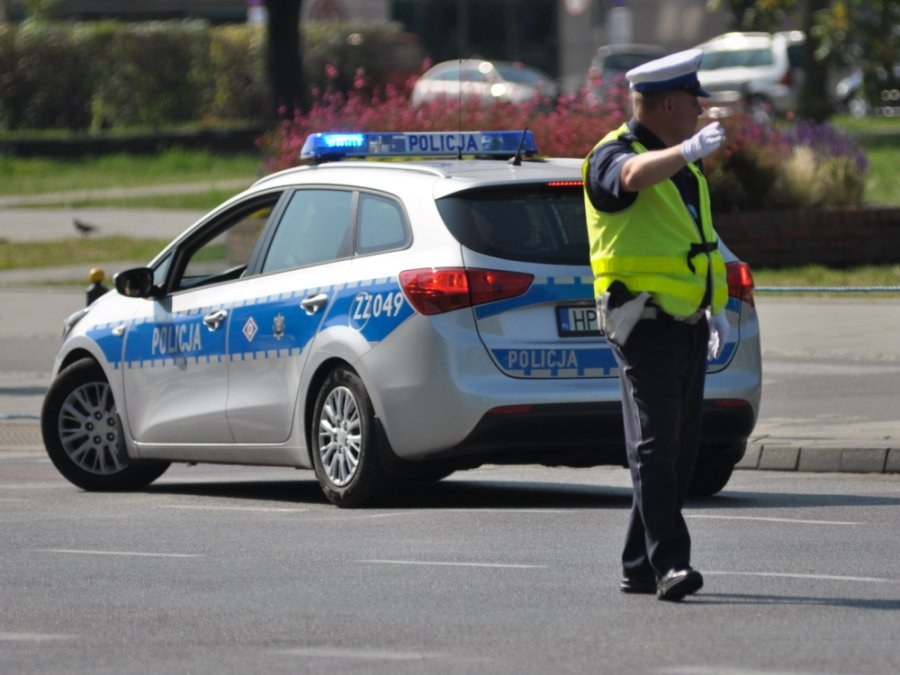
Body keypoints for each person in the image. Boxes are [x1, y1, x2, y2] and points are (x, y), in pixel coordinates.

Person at [581, 48, 730, 601]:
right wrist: (687, 149)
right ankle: (670, 563)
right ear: (669, 104)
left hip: (687, 322)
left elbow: (689, 245)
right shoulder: (611, 154)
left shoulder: (681, 166)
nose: (700, 113)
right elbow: (628, 176)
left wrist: (716, 307)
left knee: (678, 447)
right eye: (694, 104)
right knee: (656, 445)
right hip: (641, 321)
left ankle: (637, 563)